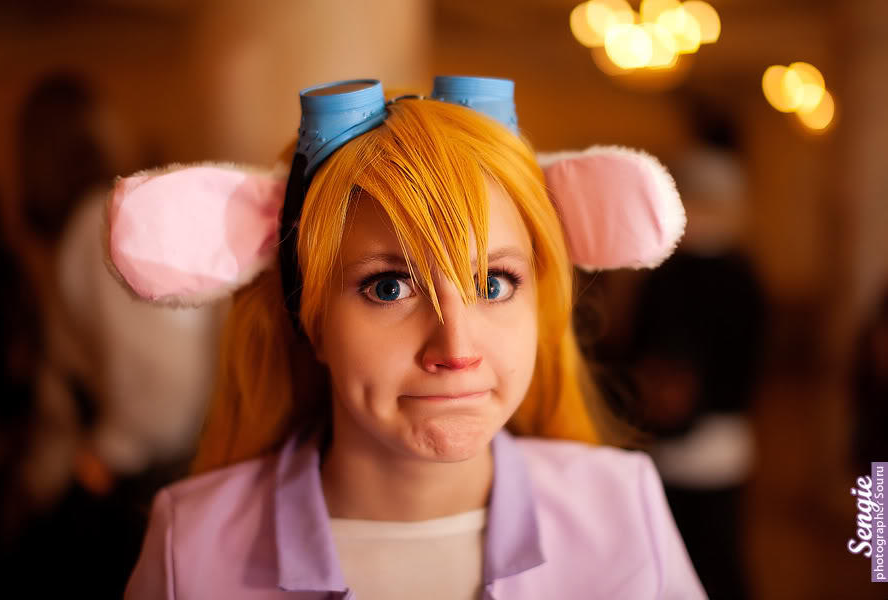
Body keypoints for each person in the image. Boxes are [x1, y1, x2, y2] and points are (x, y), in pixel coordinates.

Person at [115, 77, 706, 599]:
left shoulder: (624, 506)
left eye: (494, 283)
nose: (457, 350)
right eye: (389, 288)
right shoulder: (190, 545)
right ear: (309, 318)